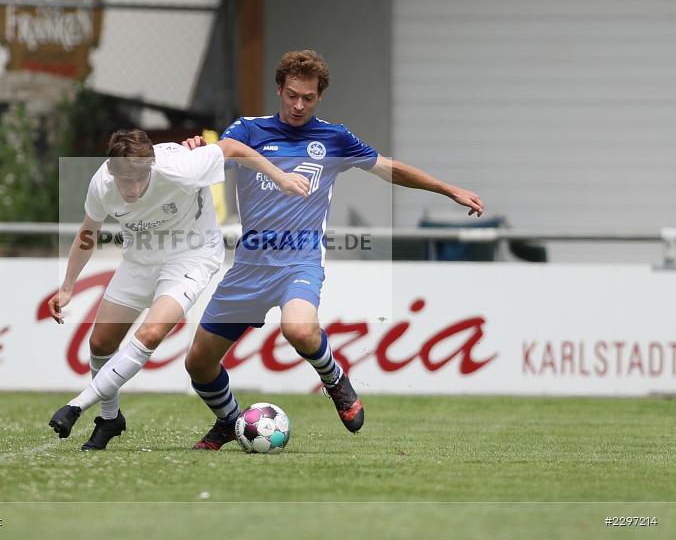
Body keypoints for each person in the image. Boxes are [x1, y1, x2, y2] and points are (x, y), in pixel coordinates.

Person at [183, 50, 485, 450]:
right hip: (250, 266)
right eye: (291, 95)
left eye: (308, 97)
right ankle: (229, 420)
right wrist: (192, 149)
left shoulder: (334, 138)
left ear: (320, 96)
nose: (298, 105)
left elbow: (388, 167)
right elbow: (215, 157)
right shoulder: (248, 130)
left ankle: (335, 381)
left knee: (299, 329)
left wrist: (448, 189)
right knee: (198, 363)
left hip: (299, 260)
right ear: (279, 90)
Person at [48, 128, 309, 450]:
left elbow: (232, 148)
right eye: (123, 180)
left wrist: (281, 177)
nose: (130, 188)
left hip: (191, 256)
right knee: (100, 342)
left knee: (151, 333)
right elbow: (89, 231)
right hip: (139, 259)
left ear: (151, 167)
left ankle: (76, 406)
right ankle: (110, 418)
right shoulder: (102, 182)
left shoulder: (180, 167)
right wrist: (67, 286)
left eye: (137, 180)